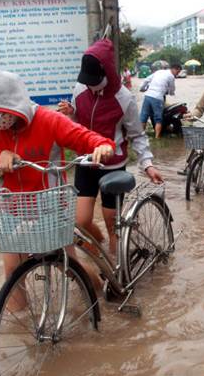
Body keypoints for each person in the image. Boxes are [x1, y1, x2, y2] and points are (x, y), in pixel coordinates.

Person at [0, 69, 116, 308]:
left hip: (49, 206)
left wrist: (102, 145)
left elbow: (85, 138)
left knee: (70, 267)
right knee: (12, 270)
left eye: (0, 114)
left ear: (14, 107)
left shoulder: (49, 120)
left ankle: (100, 295)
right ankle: (18, 329)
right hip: (12, 206)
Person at [57, 39, 163, 263]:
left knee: (111, 220)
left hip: (112, 165)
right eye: (89, 82)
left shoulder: (124, 99)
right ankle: (99, 252)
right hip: (86, 162)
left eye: (96, 82)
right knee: (80, 220)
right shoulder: (80, 89)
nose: (92, 86)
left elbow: (137, 135)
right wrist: (71, 115)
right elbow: (79, 125)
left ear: (108, 72)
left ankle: (118, 269)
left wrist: (148, 164)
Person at [139, 63, 182, 138]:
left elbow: (146, 80)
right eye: (178, 72)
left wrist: (142, 89)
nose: (177, 74)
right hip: (157, 98)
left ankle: (140, 136)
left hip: (148, 96)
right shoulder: (171, 76)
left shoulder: (159, 72)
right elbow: (172, 90)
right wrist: (170, 93)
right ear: (175, 69)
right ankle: (157, 137)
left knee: (143, 117)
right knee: (158, 118)